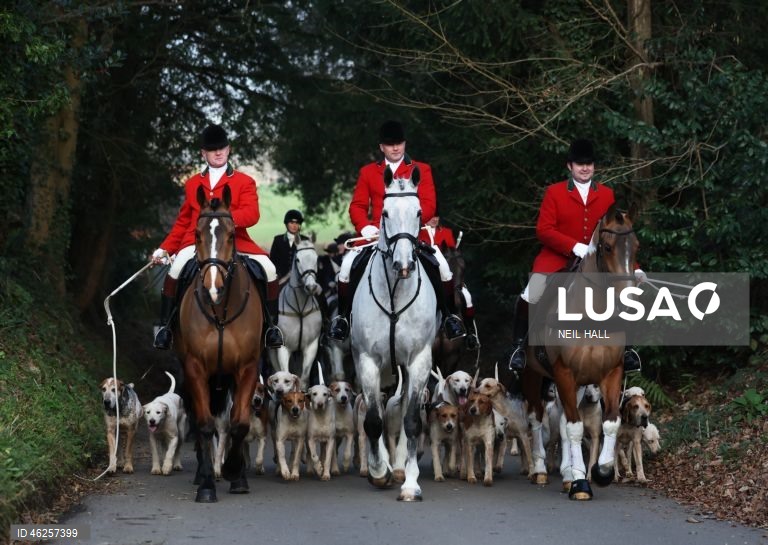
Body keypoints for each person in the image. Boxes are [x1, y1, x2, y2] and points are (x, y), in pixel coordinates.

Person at [505, 138, 644, 372]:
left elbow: (618, 237)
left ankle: (627, 350)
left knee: (626, 293)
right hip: (556, 258)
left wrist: (635, 267)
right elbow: (544, 230)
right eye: (580, 164)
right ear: (570, 166)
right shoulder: (555, 192)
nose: (585, 168)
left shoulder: (607, 194)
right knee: (531, 292)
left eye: (589, 163)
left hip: (597, 262)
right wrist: (574, 246)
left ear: (594, 166)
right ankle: (518, 348)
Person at [327, 120, 465, 342]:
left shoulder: (421, 170)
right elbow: (357, 206)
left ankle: (449, 317)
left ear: (405, 143)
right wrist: (365, 226)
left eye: (399, 143)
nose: (395, 148)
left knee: (444, 268)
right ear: (381, 147)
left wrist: (412, 221)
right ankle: (343, 319)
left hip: (412, 234)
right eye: (390, 144)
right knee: (345, 268)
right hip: (376, 235)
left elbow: (429, 204)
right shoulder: (369, 172)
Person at [150, 123, 284, 350]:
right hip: (198, 244)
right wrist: (165, 249)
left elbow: (252, 213)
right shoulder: (193, 184)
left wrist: (226, 221)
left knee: (270, 270)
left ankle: (271, 328)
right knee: (174, 270)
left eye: (222, 148)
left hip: (234, 241)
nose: (219, 152)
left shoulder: (244, 181)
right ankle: (165, 328)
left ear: (229, 149)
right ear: (204, 153)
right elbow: (184, 221)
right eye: (213, 150)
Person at [419, 214, 481, 350]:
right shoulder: (419, 232)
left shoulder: (446, 232)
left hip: (448, 273)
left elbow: (452, 252)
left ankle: (470, 333)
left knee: (467, 297)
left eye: (437, 216)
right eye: (431, 216)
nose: (435, 219)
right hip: (428, 272)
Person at [270, 209, 308, 287]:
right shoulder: (278, 240)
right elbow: (273, 260)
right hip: (281, 278)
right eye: (291, 223)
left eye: (297, 223)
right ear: (287, 224)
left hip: (302, 278)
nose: (294, 226)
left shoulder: (305, 240)